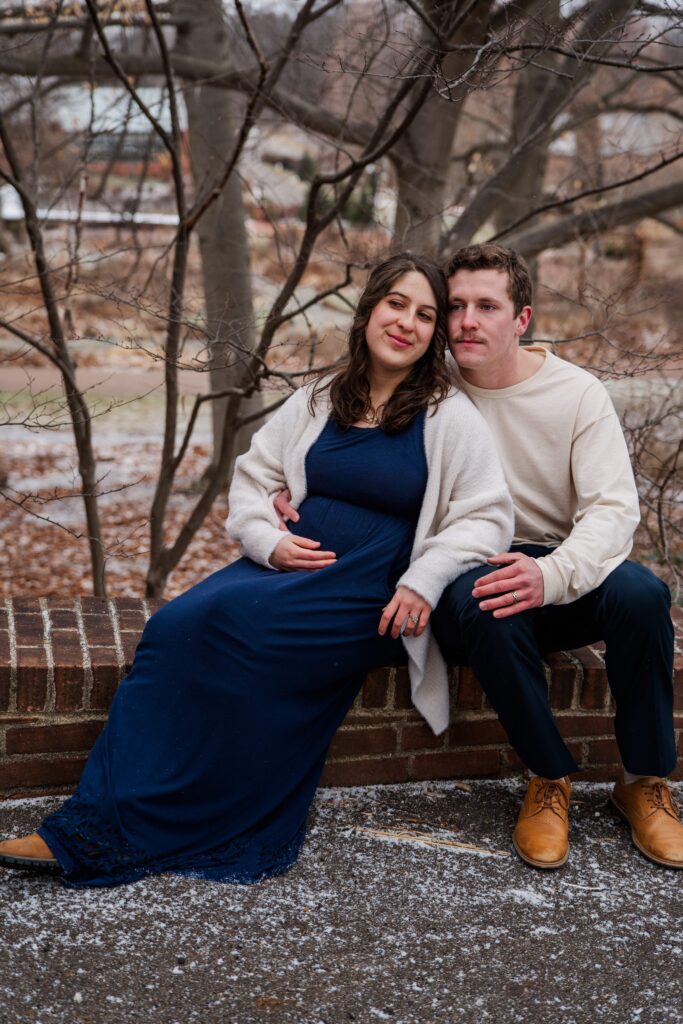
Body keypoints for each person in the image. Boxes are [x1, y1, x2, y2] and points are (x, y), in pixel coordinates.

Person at [0, 252, 513, 887]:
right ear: (369, 311)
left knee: (243, 630)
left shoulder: (447, 414)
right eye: (396, 304)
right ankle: (96, 818)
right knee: (173, 627)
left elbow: (487, 519)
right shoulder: (320, 396)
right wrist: (267, 541)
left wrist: (423, 581)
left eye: (426, 315)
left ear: (435, 335)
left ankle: (170, 823)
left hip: (369, 589)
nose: (407, 323)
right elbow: (253, 476)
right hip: (284, 568)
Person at [431, 243, 682, 870]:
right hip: (464, 569)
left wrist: (550, 574)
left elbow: (612, 511)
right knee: (486, 601)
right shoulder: (429, 385)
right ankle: (549, 778)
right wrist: (284, 487)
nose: (467, 321)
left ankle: (643, 781)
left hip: (556, 568)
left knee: (643, 595)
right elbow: (338, 415)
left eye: (487, 306)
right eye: (456, 306)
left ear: (522, 319)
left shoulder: (576, 394)